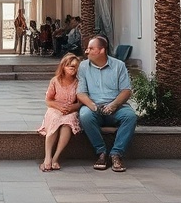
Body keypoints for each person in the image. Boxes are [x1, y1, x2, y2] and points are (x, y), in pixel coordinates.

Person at [77, 35, 137, 172]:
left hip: (116, 107)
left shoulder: (118, 66)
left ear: (102, 50)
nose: (87, 51)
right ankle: (101, 152)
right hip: (94, 106)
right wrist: (92, 106)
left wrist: (113, 105)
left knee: (130, 117)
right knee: (85, 115)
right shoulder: (84, 67)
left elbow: (126, 91)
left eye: (91, 48)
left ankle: (116, 154)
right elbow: (81, 93)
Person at [38, 53, 82, 171]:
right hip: (55, 108)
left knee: (68, 122)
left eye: (76, 67)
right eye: (70, 66)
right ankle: (47, 157)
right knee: (55, 119)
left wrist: (72, 108)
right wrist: (58, 106)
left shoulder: (79, 82)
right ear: (63, 66)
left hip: (70, 110)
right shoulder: (55, 81)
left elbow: (81, 102)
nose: (73, 69)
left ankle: (55, 157)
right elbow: (48, 100)